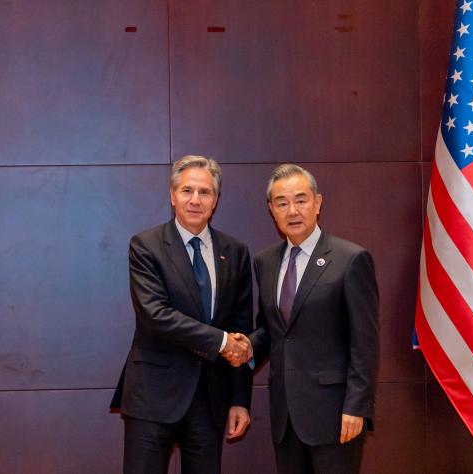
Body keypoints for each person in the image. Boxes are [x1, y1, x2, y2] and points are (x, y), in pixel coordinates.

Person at [110, 155, 254, 473]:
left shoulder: (235, 252)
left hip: (210, 399)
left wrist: (240, 399)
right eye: (187, 190)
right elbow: (155, 314)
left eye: (205, 192)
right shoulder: (146, 245)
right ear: (173, 196)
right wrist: (221, 342)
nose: (195, 200)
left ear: (215, 200)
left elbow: (242, 331)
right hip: (153, 395)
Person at [249, 164, 379, 474]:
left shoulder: (350, 259)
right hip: (285, 416)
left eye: (301, 200)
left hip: (336, 416)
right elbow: (272, 330)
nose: (292, 211)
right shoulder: (265, 262)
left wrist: (356, 407)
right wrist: (242, 346)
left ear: (317, 203)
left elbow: (365, 343)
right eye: (282, 203)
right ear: (271, 210)